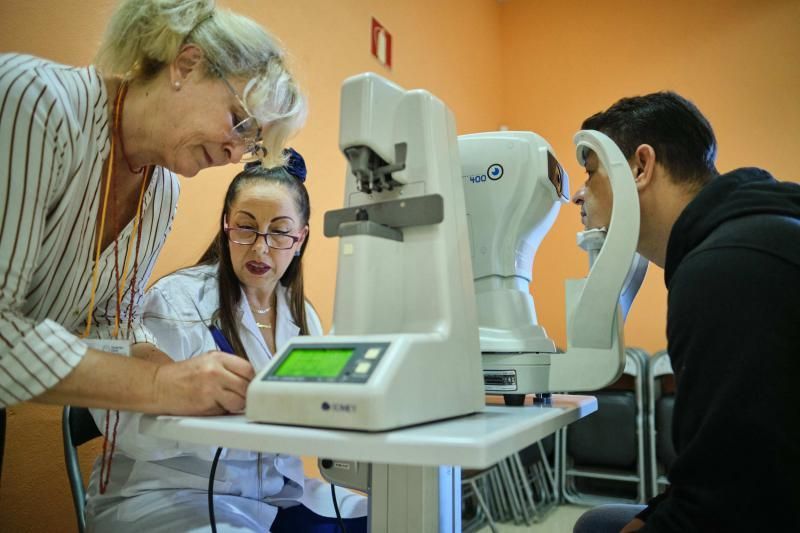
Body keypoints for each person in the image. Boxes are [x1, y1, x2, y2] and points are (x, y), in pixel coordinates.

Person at [0, 0, 305, 419]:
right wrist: (160, 385)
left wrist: (187, 378)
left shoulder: (161, 192)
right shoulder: (37, 103)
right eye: (239, 121)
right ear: (186, 65)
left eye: (251, 143)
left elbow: (113, 324)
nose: (236, 153)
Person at [86, 152, 368, 532]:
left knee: (392, 517)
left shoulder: (302, 316)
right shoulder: (175, 304)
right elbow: (127, 429)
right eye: (246, 228)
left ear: (300, 239)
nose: (260, 248)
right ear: (226, 227)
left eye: (280, 231)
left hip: (273, 495)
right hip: (172, 495)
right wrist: (205, 404)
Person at [571, 92, 800, 532]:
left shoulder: (725, 268)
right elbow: (731, 459)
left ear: (639, 167)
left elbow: (730, 505)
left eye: (591, 171)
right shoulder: (741, 240)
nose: (578, 194)